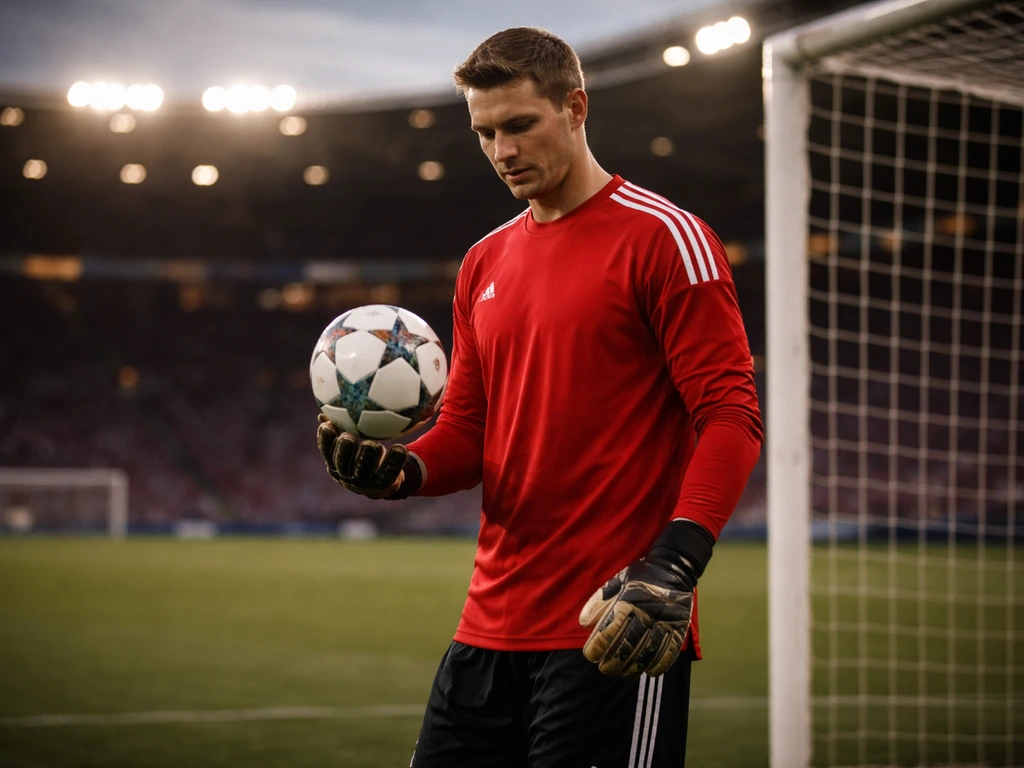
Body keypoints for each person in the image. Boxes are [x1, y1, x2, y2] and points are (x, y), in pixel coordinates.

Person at [316, 26, 763, 767]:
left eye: (520, 125)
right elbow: (468, 426)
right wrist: (404, 471)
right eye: (484, 133)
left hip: (613, 625)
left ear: (576, 108)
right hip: (487, 629)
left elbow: (729, 414)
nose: (502, 151)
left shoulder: (666, 238)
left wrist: (676, 564)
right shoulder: (483, 262)